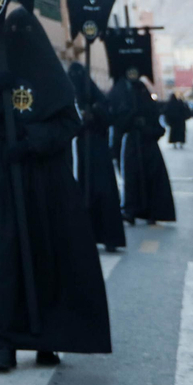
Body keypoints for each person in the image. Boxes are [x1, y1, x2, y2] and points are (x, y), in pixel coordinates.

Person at [0, 7, 110, 372]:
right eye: (12, 30)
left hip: (46, 175)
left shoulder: (52, 76)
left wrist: (31, 141)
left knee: (49, 251)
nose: (18, 35)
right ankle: (5, 341)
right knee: (3, 255)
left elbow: (69, 123)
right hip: (3, 174)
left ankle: (49, 339)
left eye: (24, 29)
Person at [67, 63, 125, 253]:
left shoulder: (97, 97)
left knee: (103, 192)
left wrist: (95, 113)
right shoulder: (67, 95)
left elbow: (109, 118)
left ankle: (108, 236)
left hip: (96, 152)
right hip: (76, 152)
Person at [116, 73, 176, 225]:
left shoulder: (148, 106)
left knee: (150, 179)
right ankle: (131, 210)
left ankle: (151, 211)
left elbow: (158, 128)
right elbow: (120, 124)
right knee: (132, 178)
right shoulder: (127, 104)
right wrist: (132, 118)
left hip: (147, 145)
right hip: (133, 145)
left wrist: (145, 127)